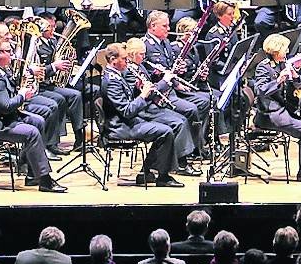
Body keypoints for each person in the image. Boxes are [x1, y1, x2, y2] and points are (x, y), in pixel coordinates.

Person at [0, 35, 67, 193]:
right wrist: (23, 95)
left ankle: (32, 174)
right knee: (32, 132)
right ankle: (45, 180)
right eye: (8, 51)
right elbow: (6, 106)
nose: (13, 55)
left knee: (38, 121)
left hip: (3, 119)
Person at [100, 42, 184, 187]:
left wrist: (139, 88)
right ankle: (162, 177)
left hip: (128, 121)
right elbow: (126, 111)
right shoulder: (112, 81)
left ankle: (148, 171)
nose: (127, 62)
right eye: (124, 59)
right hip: (119, 127)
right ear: (113, 60)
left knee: (168, 126)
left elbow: (127, 100)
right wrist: (143, 96)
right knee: (165, 131)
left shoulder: (116, 75)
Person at [140, 10, 210, 158]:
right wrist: (157, 74)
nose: (169, 29)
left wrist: (178, 71)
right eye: (165, 26)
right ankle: (182, 155)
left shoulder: (165, 42)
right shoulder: (144, 45)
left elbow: (171, 66)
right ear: (153, 26)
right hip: (160, 94)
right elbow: (144, 72)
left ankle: (197, 146)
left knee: (204, 102)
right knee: (191, 110)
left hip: (173, 88)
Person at [253, 33, 301, 182]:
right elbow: (261, 91)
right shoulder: (263, 67)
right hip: (270, 114)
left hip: (284, 110)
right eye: (285, 49)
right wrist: (278, 80)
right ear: (276, 51)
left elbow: (300, 84)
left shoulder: (283, 63)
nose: (288, 52)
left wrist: (295, 74)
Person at [31, 15, 85, 154]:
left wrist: (69, 61)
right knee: (59, 100)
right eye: (50, 27)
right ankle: (52, 142)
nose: (54, 29)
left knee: (76, 95)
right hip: (40, 86)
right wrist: (54, 67)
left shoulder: (53, 41)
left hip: (52, 83)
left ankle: (80, 137)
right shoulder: (35, 44)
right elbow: (39, 70)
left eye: (54, 26)